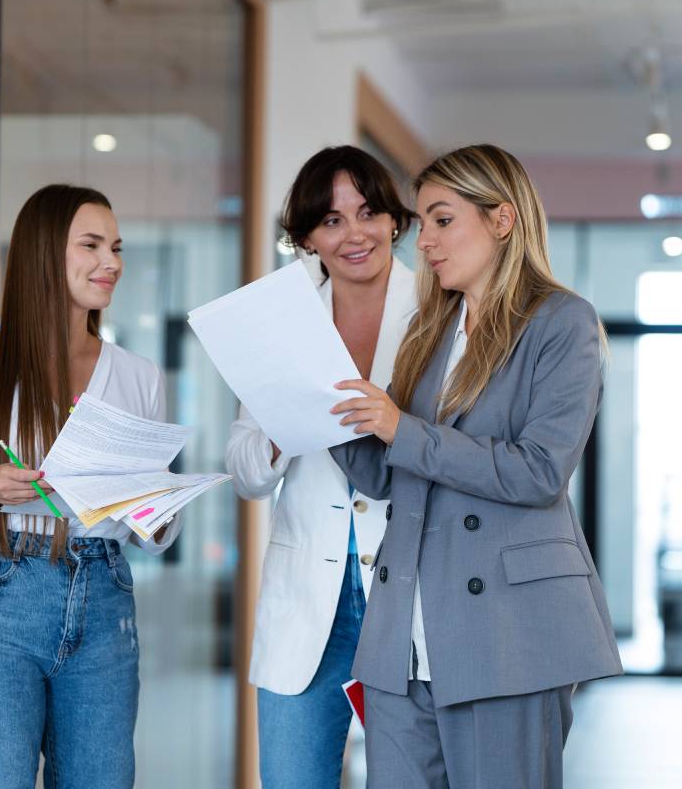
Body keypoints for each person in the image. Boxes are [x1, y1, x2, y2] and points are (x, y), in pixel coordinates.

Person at [329, 144, 623, 788]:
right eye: (423, 224)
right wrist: (320, 410)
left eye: (442, 220)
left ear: (502, 220)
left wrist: (398, 427)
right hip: (401, 642)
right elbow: (386, 476)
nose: (424, 242)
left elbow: (538, 471)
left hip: (507, 636)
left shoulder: (561, 323)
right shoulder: (429, 331)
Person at [0, 184, 179, 789]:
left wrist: (156, 510)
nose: (112, 262)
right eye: (91, 245)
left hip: (106, 595)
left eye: (116, 247)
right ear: (41, 255)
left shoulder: (138, 376)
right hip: (1, 593)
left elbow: (156, 531)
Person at [225, 145, 416, 788]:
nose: (355, 234)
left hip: (412, 590)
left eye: (368, 213)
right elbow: (247, 472)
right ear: (306, 237)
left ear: (394, 218)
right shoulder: (279, 323)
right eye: (332, 221)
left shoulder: (444, 308)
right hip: (308, 600)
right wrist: (285, 428)